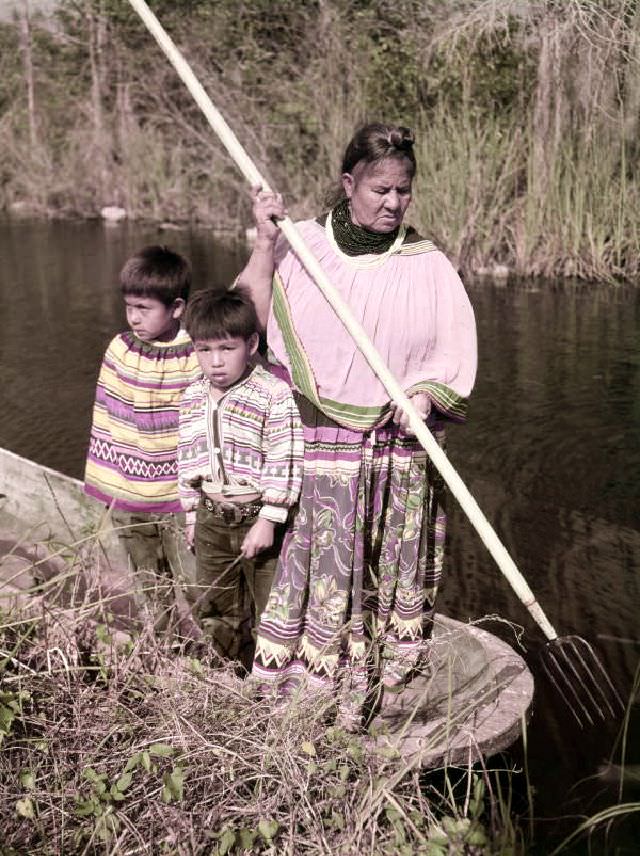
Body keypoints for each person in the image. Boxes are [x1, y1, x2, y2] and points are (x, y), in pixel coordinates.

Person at [238, 122, 477, 726]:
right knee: (321, 564)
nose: (394, 203)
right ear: (349, 184)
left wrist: (423, 395)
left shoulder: (428, 266)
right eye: (380, 190)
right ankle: (310, 684)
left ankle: (381, 681)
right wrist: (264, 243)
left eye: (404, 191)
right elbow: (250, 323)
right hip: (322, 444)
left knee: (383, 564)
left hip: (397, 448)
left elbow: (452, 353)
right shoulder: (305, 248)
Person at [177, 287, 303, 663]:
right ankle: (230, 678)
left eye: (226, 349)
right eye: (204, 350)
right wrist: (190, 514)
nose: (215, 362)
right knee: (216, 608)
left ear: (250, 344)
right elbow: (187, 457)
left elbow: (285, 458)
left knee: (272, 611)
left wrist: (268, 519)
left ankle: (274, 687)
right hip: (211, 519)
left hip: (260, 520)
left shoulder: (273, 395)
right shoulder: (192, 396)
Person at [84, 244, 201, 630]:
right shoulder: (120, 349)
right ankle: (167, 651)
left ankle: (219, 661)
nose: (133, 317)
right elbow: (108, 420)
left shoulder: (195, 354)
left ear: (177, 308)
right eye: (129, 306)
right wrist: (108, 484)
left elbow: (202, 422)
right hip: (130, 492)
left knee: (196, 582)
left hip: (181, 496)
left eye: (144, 308)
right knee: (150, 582)